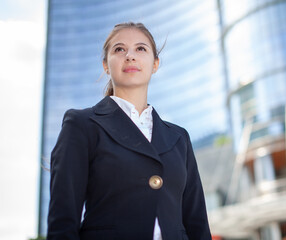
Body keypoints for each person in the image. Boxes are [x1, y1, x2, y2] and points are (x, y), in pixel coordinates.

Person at [47, 22, 212, 240]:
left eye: (140, 49)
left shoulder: (179, 137)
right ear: (106, 65)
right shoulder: (81, 124)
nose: (130, 56)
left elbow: (197, 222)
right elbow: (63, 221)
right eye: (119, 49)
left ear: (155, 64)